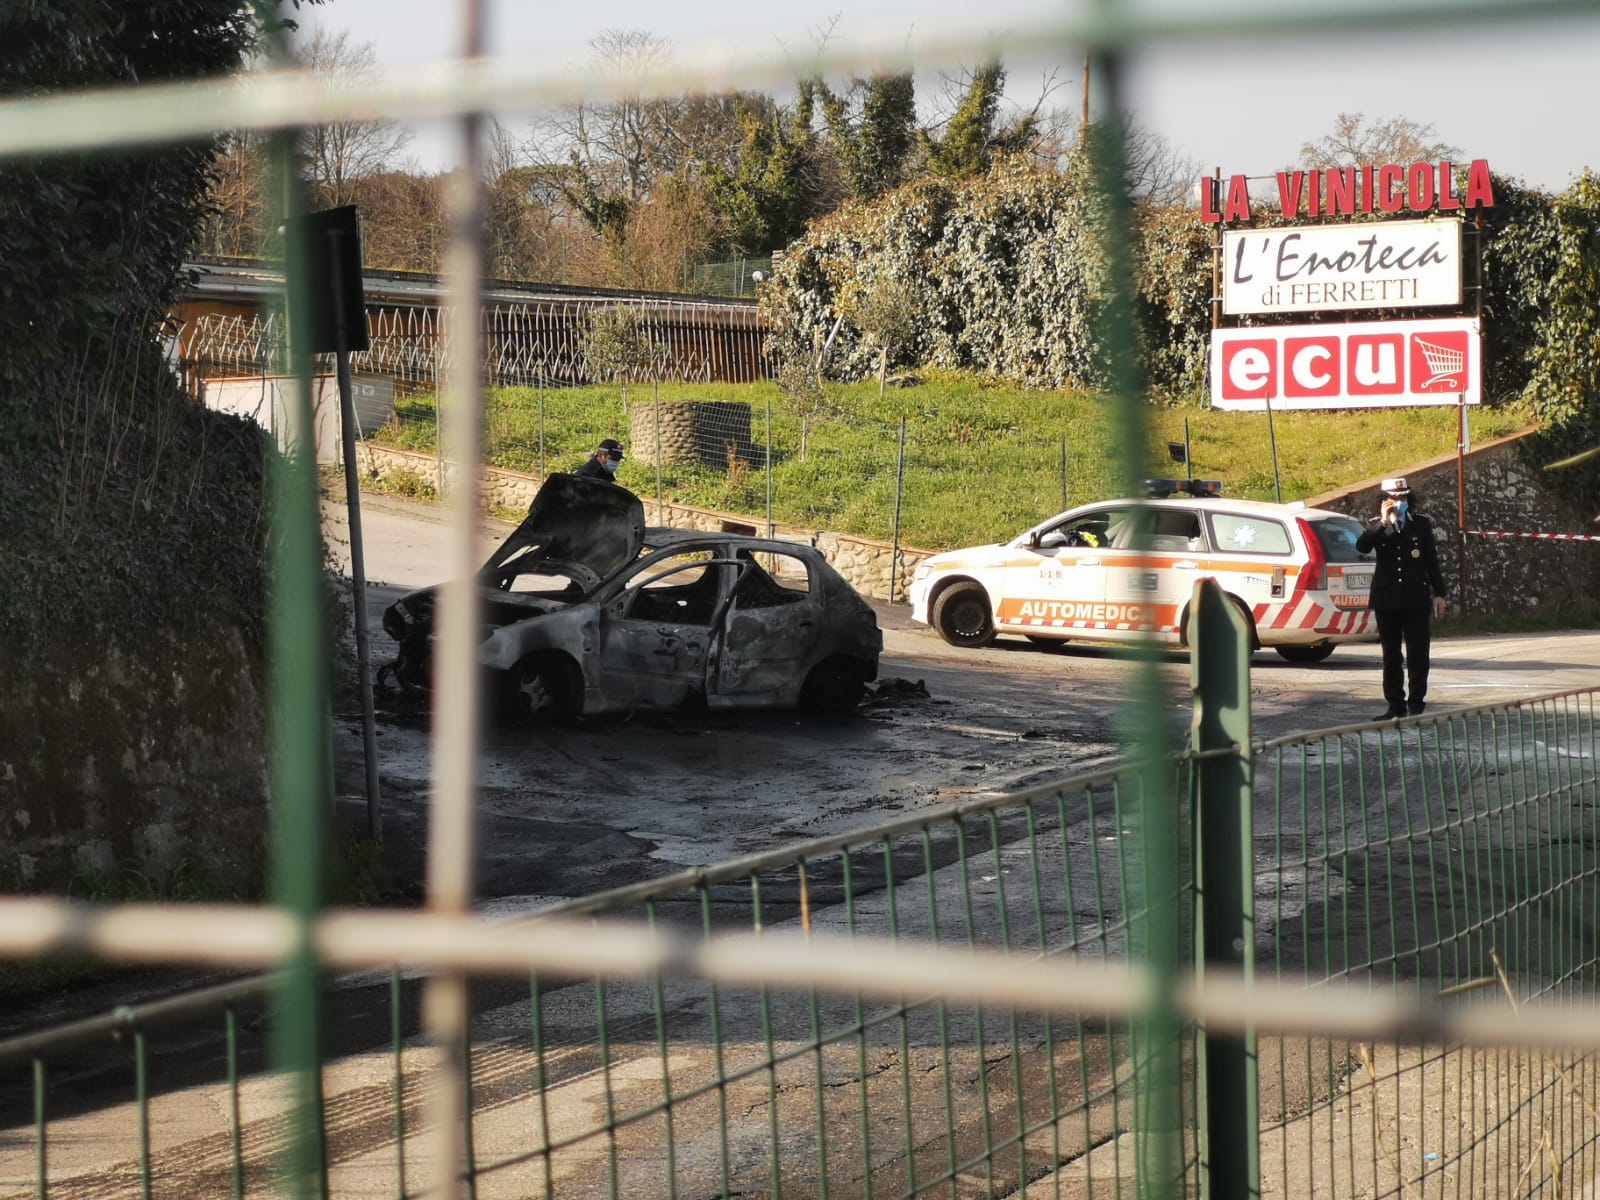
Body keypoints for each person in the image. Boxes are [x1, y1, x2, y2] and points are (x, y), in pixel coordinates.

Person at [1355, 477, 1449, 720]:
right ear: (1384, 501)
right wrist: (1384, 522)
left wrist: (1440, 593)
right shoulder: (1378, 526)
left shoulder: (1420, 524)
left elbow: (1431, 560)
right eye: (1394, 498)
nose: (1399, 502)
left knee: (1418, 654)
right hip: (1387, 600)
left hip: (1416, 598)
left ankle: (1416, 704)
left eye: (1403, 497)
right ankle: (1394, 705)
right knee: (1391, 656)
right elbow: (1362, 546)